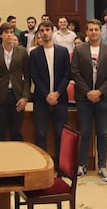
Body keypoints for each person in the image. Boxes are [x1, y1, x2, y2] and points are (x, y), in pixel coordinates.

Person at [71, 19, 107, 182]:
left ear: (101, 31)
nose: (93, 32)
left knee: (102, 133)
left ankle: (102, 166)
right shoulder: (79, 49)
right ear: (86, 32)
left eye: (96, 29)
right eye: (90, 30)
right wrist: (88, 92)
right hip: (84, 98)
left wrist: (99, 91)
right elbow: (75, 72)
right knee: (84, 133)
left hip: (103, 98)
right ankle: (81, 165)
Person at [30, 21, 70, 162]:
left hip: (60, 99)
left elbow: (67, 75)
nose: (45, 32)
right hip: (41, 99)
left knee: (60, 133)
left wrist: (57, 93)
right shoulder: (34, 53)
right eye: (42, 30)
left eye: (47, 29)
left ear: (52, 31)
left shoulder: (62, 51)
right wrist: (47, 94)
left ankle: (61, 165)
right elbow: (35, 76)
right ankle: (43, 164)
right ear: (39, 33)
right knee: (41, 134)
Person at [0, 22, 30, 141]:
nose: (9, 35)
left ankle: (17, 158)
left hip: (17, 96)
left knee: (16, 131)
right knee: (0, 131)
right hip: (0, 96)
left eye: (11, 32)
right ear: (1, 35)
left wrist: (25, 97)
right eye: (6, 33)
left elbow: (27, 77)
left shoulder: (22, 52)